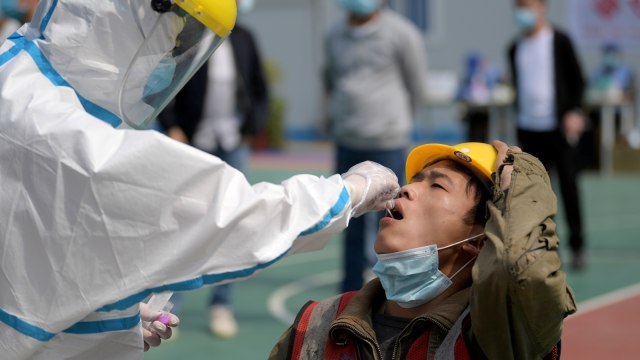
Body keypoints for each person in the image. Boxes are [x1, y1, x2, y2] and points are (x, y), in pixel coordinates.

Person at [0, 0, 401, 358]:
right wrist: (349, 191)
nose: (166, 56)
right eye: (174, 35)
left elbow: (39, 238)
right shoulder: (63, 128)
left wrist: (103, 315)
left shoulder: (23, 74)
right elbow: (221, 211)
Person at [269, 140, 577, 359]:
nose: (406, 188)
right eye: (414, 180)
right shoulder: (316, 325)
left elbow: (526, 273)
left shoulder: (496, 338)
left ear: (479, 241)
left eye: (437, 186)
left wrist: (523, 177)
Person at [157, 0, 268, 339]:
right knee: (186, 222)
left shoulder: (246, 37)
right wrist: (172, 124)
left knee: (233, 223)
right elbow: (164, 82)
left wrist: (253, 125)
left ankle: (222, 304)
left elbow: (259, 86)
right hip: (195, 143)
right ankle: (168, 308)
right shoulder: (192, 35)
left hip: (233, 144)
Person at [325, 0, 429, 292]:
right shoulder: (333, 34)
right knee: (347, 219)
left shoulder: (402, 33)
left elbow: (417, 84)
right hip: (348, 139)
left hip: (389, 141)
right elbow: (331, 78)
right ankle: (348, 293)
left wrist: (400, 122)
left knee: (397, 217)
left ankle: (403, 290)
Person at [507, 0, 587, 270]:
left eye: (528, 6)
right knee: (533, 194)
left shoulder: (560, 41)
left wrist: (574, 111)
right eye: (518, 7)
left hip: (558, 130)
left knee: (568, 187)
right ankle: (540, 247)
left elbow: (578, 80)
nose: (523, 12)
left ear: (542, 7)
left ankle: (578, 246)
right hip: (529, 130)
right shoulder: (515, 47)